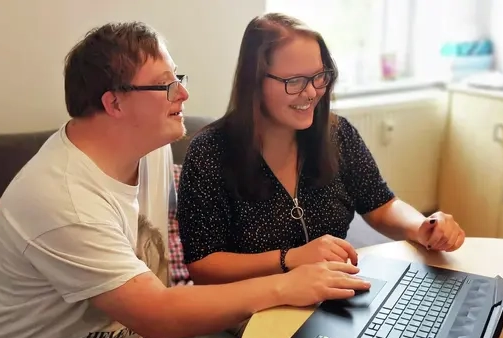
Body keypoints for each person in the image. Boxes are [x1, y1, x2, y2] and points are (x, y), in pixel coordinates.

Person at [0, 21, 371, 338]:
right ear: (115, 103)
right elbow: (156, 315)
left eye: (179, 79)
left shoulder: (149, 147)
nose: (184, 94)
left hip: (117, 334)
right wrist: (286, 282)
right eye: (166, 85)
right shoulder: (61, 198)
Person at [176, 13, 466, 288]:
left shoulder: (337, 134)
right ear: (255, 82)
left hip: (331, 294)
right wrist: (289, 259)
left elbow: (381, 204)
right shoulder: (209, 152)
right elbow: (203, 267)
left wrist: (423, 226)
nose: (312, 92)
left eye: (319, 76)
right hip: (253, 308)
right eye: (295, 81)